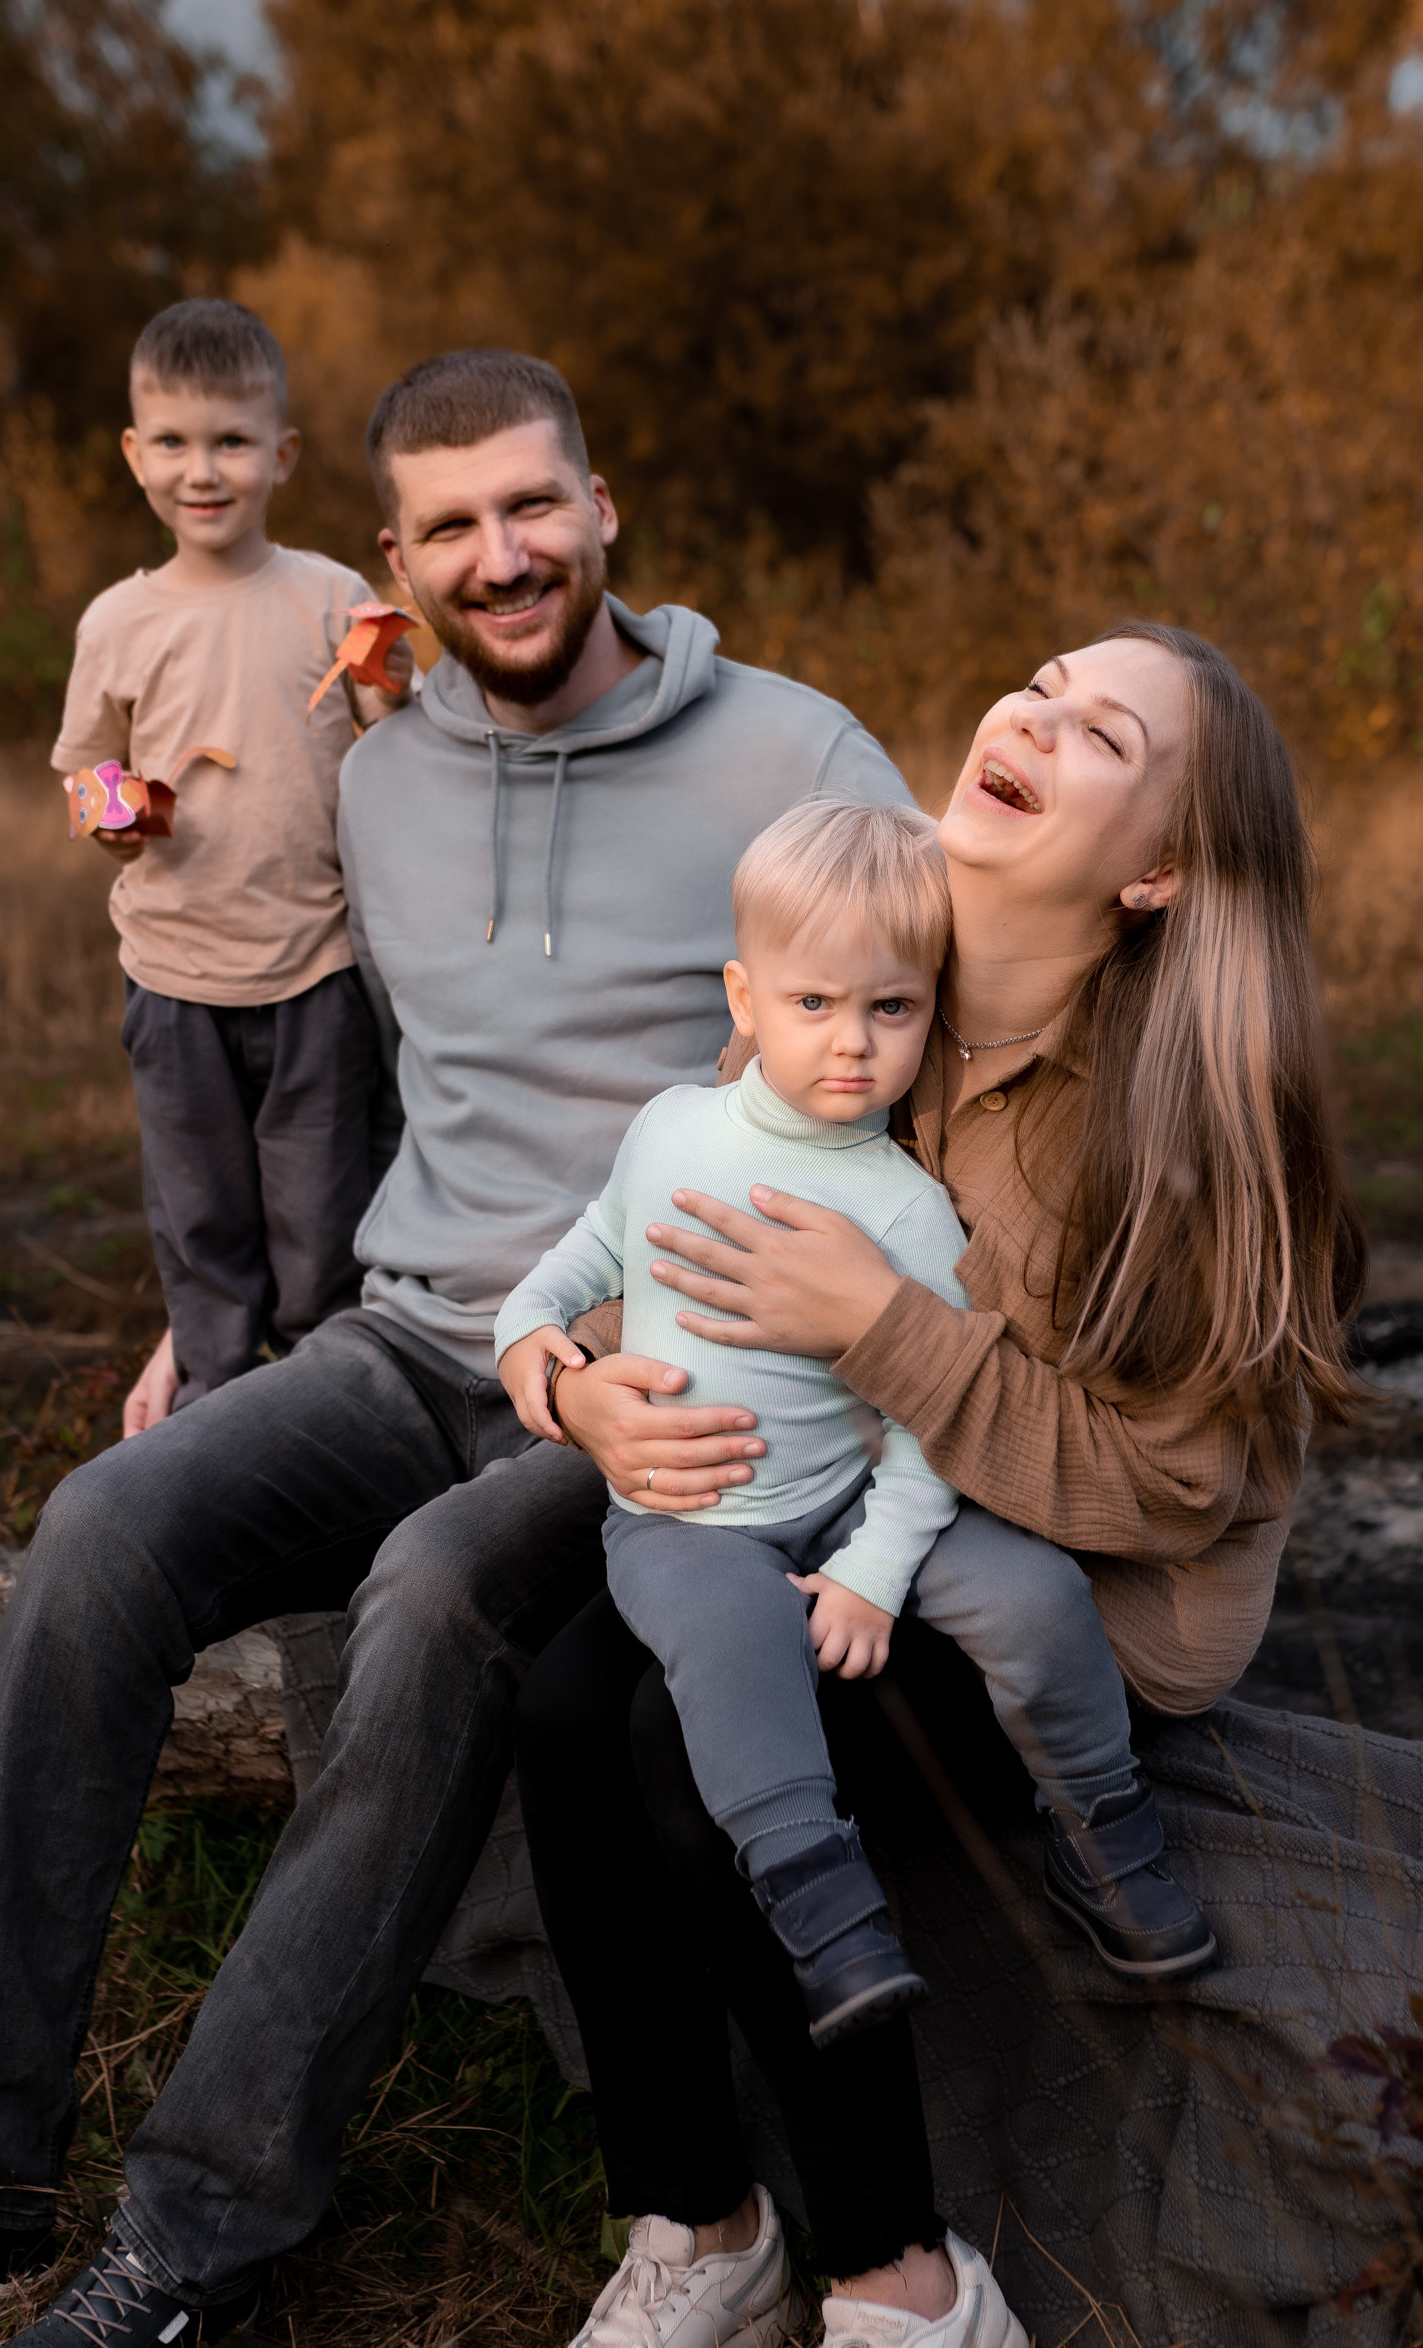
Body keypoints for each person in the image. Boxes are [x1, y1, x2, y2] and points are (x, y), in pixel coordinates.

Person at [0, 348, 909, 2348]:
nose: (497, 558)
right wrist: (208, 1309)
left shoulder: (789, 755)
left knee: (429, 1602)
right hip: (404, 1330)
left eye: (530, 508)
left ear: (602, 505)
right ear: (397, 559)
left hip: (640, 1394)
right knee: (101, 1528)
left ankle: (193, 2232)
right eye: (444, 527)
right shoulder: (380, 761)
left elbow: (927, 1070)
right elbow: (277, 1018)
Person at [514, 623, 1362, 2348]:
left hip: (1063, 1608)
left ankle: (904, 2288)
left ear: (1153, 866)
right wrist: (592, 1382)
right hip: (825, 1508)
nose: (1034, 719)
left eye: (1104, 736)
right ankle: (698, 2229)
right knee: (565, 1702)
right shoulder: (874, 958)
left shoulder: (1182, 1104)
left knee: (679, 1739)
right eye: (1041, 683)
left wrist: (885, 1335)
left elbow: (1181, 1483)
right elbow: (689, 1226)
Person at [496, 793, 1215, 2052]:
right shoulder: (671, 1132)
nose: (852, 1045)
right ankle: (819, 1900)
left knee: (1036, 1592)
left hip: (857, 1492)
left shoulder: (905, 1211)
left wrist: (873, 1576)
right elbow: (582, 1255)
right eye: (812, 1004)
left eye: (891, 1008)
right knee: (726, 1647)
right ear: (742, 998)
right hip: (690, 1518)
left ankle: (1100, 1820)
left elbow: (931, 1420)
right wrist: (531, 1345)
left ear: (929, 1008)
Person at [57, 298, 406, 1429]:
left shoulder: (327, 595)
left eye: (231, 441)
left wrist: (394, 666)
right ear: (133, 453)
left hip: (315, 968)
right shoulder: (119, 619)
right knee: (201, 1217)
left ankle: (323, 1410)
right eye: (173, 440)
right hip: (172, 977)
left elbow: (393, 728)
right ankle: (214, 1408)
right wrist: (110, 811)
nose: (201, 470)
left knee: (318, 1214)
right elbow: (85, 765)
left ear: (280, 454)